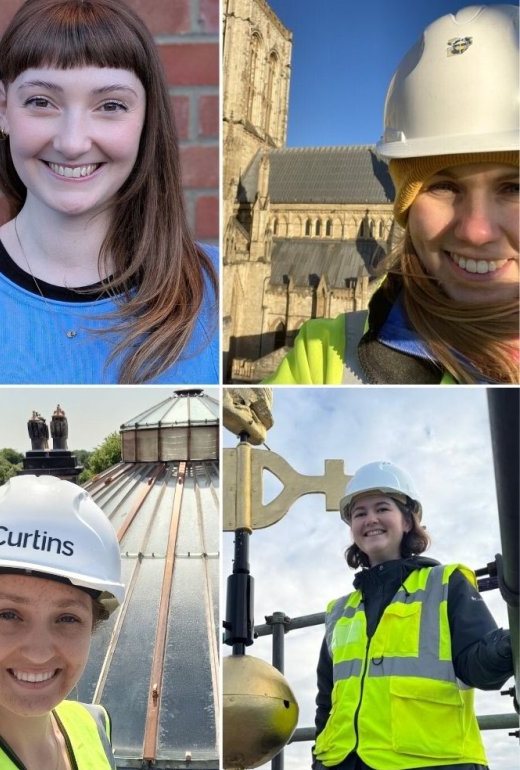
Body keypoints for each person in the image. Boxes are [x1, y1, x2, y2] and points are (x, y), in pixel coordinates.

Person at [0, 0, 218, 384]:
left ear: (146, 118)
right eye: (41, 102)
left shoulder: (215, 290)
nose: (73, 142)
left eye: (110, 105)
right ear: (2, 107)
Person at [267, 5, 518, 385]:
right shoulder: (325, 354)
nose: (476, 231)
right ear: (407, 203)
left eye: (514, 187)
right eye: (443, 186)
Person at [312, 461, 513, 769]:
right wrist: (320, 760)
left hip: (433, 761)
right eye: (359, 513)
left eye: (382, 508)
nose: (371, 520)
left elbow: (477, 667)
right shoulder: (340, 612)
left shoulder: (445, 583)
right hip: (343, 763)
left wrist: (508, 645)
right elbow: (327, 700)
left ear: (407, 521)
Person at [0, 475, 123, 770]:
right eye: (9, 615)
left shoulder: (94, 725)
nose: (39, 652)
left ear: (92, 625)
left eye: (67, 618)